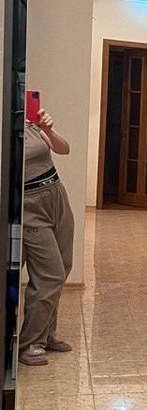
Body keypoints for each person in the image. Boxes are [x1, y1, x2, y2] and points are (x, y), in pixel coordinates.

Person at [19, 105, 74, 366]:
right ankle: (31, 343)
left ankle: (47, 333)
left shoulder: (30, 124)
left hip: (55, 194)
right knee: (50, 275)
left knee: (63, 265)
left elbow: (64, 149)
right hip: (29, 205)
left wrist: (48, 131)